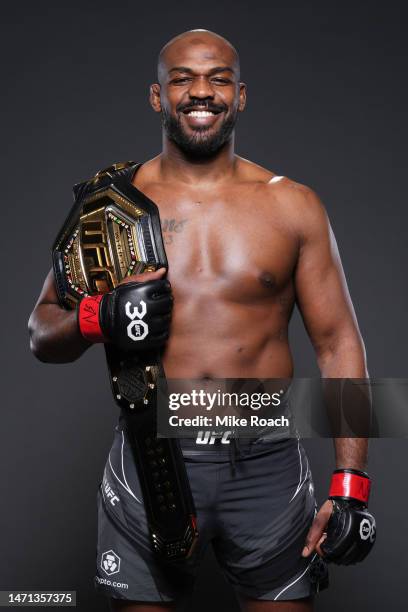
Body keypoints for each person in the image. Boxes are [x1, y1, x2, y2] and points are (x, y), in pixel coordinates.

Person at [28, 29, 374, 612]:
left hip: (266, 459)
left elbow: (340, 343)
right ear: (157, 97)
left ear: (240, 97)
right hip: (150, 456)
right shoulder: (109, 207)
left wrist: (351, 485)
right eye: (182, 78)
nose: (201, 92)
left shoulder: (293, 204)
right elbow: (40, 334)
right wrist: (97, 316)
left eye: (218, 79)